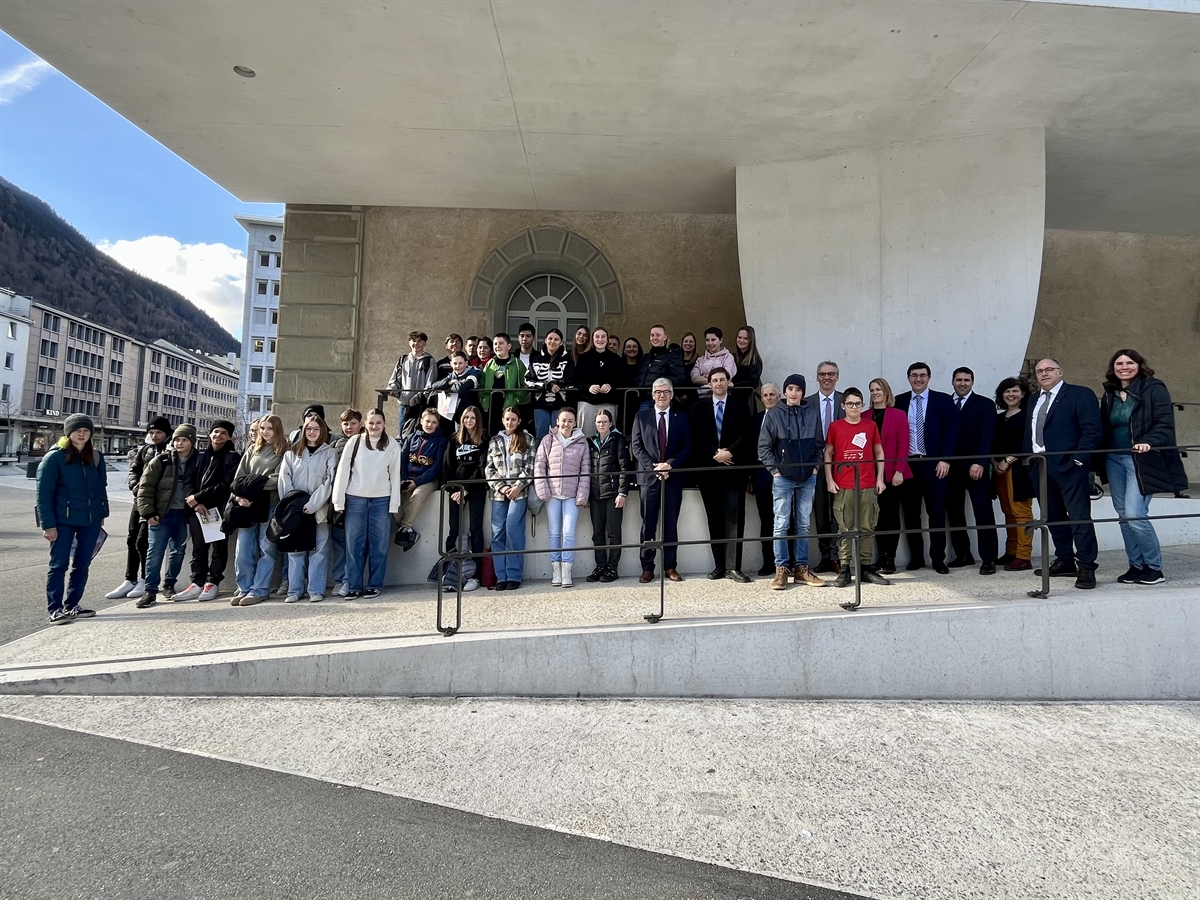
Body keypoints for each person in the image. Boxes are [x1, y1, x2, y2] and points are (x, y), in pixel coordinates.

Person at [1098, 349, 1187, 585]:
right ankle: (1136, 566)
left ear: (1139, 365)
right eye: (1119, 363)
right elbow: (1104, 427)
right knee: (1123, 516)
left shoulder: (1153, 388)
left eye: (1129, 362)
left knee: (1135, 514)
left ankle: (1154, 568)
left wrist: (1149, 442)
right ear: (1113, 367)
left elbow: (1164, 422)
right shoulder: (1110, 393)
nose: (1124, 367)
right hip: (1113, 459)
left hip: (1141, 460)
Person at [1023, 358, 1102, 589]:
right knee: (1053, 516)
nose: (1044, 374)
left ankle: (1087, 566)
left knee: (1079, 517)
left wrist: (1078, 460)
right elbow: (1030, 432)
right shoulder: (1033, 399)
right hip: (1039, 466)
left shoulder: (1079, 394)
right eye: (1039, 371)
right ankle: (1065, 560)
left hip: (1069, 466)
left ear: (1061, 372)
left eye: (1049, 369)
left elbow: (1092, 429)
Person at [36, 414, 109, 625]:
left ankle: (72, 605)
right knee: (59, 565)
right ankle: (55, 609)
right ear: (68, 432)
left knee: (82, 564)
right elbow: (43, 495)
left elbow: (100, 488)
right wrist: (48, 525)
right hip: (63, 521)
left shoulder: (94, 457)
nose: (82, 434)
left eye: (86, 431)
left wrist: (101, 513)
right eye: (78, 430)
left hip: (90, 520)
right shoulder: (54, 458)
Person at [758, 374, 826, 590]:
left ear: (803, 393)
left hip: (807, 478)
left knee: (804, 524)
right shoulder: (774, 414)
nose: (794, 393)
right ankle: (781, 570)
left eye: (798, 389)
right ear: (784, 392)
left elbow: (818, 444)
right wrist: (775, 471)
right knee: (781, 524)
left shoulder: (812, 413)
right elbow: (764, 447)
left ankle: (801, 568)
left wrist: (815, 467)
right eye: (790, 389)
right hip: (783, 478)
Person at [824, 388, 892, 599]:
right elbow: (828, 452)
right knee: (845, 527)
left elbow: (879, 451)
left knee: (867, 526)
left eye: (858, 403)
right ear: (843, 406)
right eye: (850, 403)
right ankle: (845, 568)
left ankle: (865, 568)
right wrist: (829, 478)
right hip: (844, 485)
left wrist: (880, 478)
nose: (854, 407)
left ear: (863, 405)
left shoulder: (870, 425)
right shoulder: (835, 426)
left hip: (868, 483)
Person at [332, 408, 403, 599]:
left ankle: (374, 584)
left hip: (381, 500)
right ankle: (354, 586)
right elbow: (343, 472)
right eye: (371, 422)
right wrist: (338, 501)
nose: (374, 426)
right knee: (354, 545)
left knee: (378, 545)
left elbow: (395, 476)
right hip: (355, 499)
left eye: (378, 422)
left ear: (384, 424)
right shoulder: (354, 442)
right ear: (365, 424)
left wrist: (393, 504)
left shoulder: (392, 445)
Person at [690, 367, 753, 582]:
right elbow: (696, 437)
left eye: (722, 379)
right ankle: (719, 566)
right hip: (709, 472)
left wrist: (729, 452)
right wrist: (715, 453)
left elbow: (747, 433)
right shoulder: (698, 408)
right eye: (714, 380)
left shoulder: (740, 405)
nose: (718, 383)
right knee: (714, 519)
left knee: (735, 519)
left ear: (728, 382)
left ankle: (733, 567)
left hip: (734, 471)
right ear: (709, 384)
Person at [895, 362, 958, 574]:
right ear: (908, 378)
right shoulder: (899, 401)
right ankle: (917, 558)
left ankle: (938, 559)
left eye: (922, 375)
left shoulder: (943, 400)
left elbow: (952, 431)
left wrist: (946, 459)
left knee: (937, 513)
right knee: (911, 514)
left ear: (929, 377)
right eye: (914, 375)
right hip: (909, 464)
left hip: (935, 464)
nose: (918, 379)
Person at [631, 378, 691, 582]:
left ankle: (670, 566)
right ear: (653, 394)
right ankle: (647, 567)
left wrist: (669, 465)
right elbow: (636, 446)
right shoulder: (641, 416)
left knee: (670, 524)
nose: (662, 395)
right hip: (649, 479)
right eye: (658, 391)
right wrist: (654, 468)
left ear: (672, 395)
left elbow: (687, 447)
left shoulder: (681, 417)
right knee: (648, 524)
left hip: (672, 478)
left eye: (666, 391)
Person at [135, 423, 201, 608]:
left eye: (184, 439)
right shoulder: (161, 461)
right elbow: (145, 488)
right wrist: (148, 512)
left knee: (177, 551)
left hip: (184, 516)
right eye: (177, 439)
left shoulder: (198, 461)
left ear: (192, 442)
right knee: (155, 552)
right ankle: (150, 590)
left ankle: (169, 584)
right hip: (162, 515)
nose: (180, 443)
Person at [174, 419, 240, 602]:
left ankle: (213, 582)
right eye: (216, 432)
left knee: (218, 547)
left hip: (217, 510)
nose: (218, 436)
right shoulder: (199, 456)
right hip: (197, 509)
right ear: (210, 434)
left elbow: (227, 484)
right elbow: (188, 480)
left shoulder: (232, 457)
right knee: (198, 548)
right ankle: (197, 582)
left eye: (223, 433)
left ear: (229, 437)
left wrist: (200, 497)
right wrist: (194, 502)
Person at [106, 415, 170, 600]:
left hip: (158, 503)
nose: (155, 435)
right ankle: (130, 578)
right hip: (140, 500)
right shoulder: (145, 450)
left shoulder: (172, 450)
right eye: (151, 432)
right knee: (132, 539)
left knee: (143, 541)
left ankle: (145, 578)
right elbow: (134, 471)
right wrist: (136, 488)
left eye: (159, 432)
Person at [944, 367, 999, 574]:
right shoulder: (945, 403)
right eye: (958, 379)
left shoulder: (985, 404)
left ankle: (988, 558)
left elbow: (988, 436)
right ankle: (963, 554)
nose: (962, 383)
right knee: (955, 513)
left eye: (966, 380)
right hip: (951, 468)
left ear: (972, 382)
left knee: (983, 512)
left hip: (976, 467)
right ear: (952, 382)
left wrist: (980, 462)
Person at [279, 416, 338, 603]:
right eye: (308, 429)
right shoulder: (292, 453)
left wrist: (313, 505)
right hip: (295, 510)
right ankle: (295, 590)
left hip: (317, 509)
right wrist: (293, 504)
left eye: (316, 429)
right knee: (295, 551)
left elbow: (329, 481)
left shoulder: (330, 453)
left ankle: (316, 589)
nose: (312, 432)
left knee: (319, 549)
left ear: (323, 432)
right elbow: (284, 479)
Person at [230, 414, 286, 605]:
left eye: (269, 428)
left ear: (277, 429)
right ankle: (244, 587)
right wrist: (240, 496)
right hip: (246, 505)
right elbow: (239, 477)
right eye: (262, 428)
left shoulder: (284, 451)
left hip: (269, 504)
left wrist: (253, 485)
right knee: (243, 549)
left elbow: (277, 479)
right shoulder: (253, 449)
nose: (265, 432)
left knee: (266, 549)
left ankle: (260, 589)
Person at [535, 407, 591, 587]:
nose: (566, 424)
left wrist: (582, 495)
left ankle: (567, 570)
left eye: (570, 421)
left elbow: (585, 471)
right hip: (552, 494)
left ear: (575, 423)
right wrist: (542, 490)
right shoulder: (548, 440)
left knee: (568, 532)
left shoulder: (582, 443)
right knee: (554, 533)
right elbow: (539, 465)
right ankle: (556, 570)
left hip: (571, 495)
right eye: (563, 420)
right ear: (557, 422)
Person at [485, 407, 535, 591]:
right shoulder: (495, 441)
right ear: (502, 420)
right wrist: (503, 487)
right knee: (498, 533)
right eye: (507, 419)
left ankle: (513, 574)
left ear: (519, 421)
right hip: (499, 493)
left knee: (513, 529)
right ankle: (501, 576)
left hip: (519, 492)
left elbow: (530, 467)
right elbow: (489, 469)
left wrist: (517, 486)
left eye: (513, 419)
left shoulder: (527, 439)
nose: (510, 422)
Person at [867, 378, 912, 575]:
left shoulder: (898, 415)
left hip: (893, 473)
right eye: (872, 390)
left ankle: (890, 558)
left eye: (878, 389)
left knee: (891, 516)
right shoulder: (864, 416)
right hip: (871, 475)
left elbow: (904, 445)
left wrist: (899, 470)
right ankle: (880, 556)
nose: (875, 392)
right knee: (875, 517)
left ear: (886, 391)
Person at [803, 361, 844, 574]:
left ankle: (837, 556)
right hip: (816, 466)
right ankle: (825, 556)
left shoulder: (845, 401)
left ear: (837, 376)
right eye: (822, 374)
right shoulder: (806, 403)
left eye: (831, 374)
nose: (826, 378)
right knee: (820, 512)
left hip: (842, 466)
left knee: (839, 512)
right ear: (817, 377)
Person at [442, 406, 488, 592]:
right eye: (466, 418)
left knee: (475, 530)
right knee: (454, 530)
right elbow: (447, 465)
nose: (469, 421)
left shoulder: (484, 438)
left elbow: (482, 467)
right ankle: (450, 573)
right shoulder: (454, 439)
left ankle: (474, 576)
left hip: (475, 488)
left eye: (473, 418)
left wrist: (466, 489)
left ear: (477, 420)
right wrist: (454, 489)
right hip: (455, 490)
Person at [992, 377, 1034, 572]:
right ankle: (1011, 552)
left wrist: (1007, 460)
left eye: (1015, 391)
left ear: (1023, 394)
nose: (1011, 395)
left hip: (1019, 470)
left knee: (1021, 512)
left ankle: (1024, 556)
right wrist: (995, 462)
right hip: (999, 470)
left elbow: (1028, 444)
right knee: (1008, 512)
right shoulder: (999, 418)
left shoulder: (1028, 416)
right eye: (1007, 391)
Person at [587, 408, 634, 583]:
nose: (601, 424)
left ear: (611, 423)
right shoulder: (590, 442)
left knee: (613, 534)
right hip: (595, 495)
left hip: (613, 494)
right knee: (597, 534)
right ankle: (600, 566)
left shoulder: (618, 440)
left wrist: (622, 493)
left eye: (605, 421)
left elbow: (625, 467)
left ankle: (612, 569)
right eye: (599, 422)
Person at [394, 408, 447, 553]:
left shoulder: (441, 440)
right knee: (391, 499)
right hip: (407, 477)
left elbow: (435, 468)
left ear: (438, 424)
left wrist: (416, 483)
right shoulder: (411, 437)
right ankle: (407, 531)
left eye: (433, 422)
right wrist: (404, 479)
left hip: (428, 480)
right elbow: (402, 460)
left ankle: (404, 528)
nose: (429, 424)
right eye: (427, 421)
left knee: (416, 497)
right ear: (421, 421)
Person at [749, 383, 785, 576]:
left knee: (785, 519)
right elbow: (750, 447)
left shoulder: (786, 416)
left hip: (782, 472)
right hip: (761, 473)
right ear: (761, 398)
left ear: (779, 397)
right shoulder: (757, 419)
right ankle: (768, 562)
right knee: (766, 519)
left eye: (772, 394)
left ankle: (787, 562)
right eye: (765, 395)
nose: (769, 398)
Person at [329, 408, 363, 594]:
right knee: (339, 541)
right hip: (339, 498)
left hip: (358, 496)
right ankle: (339, 578)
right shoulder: (336, 444)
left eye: (353, 423)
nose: (349, 427)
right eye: (346, 424)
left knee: (354, 542)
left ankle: (351, 579)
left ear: (360, 424)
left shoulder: (366, 442)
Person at [525, 328, 575, 440]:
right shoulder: (536, 358)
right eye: (550, 338)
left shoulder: (567, 359)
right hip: (540, 404)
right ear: (545, 341)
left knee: (559, 436)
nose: (553, 341)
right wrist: (546, 386)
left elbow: (571, 380)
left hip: (560, 405)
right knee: (541, 435)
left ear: (561, 342)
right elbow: (528, 380)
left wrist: (557, 384)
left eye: (556, 339)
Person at [386, 331, 437, 438]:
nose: (416, 344)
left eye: (420, 341)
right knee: (401, 435)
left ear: (424, 344)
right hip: (404, 404)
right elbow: (395, 380)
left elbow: (430, 384)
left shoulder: (429, 360)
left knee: (419, 435)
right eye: (414, 341)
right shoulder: (403, 360)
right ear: (409, 343)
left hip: (420, 405)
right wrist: (391, 389)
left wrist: (421, 398)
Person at [574, 326, 622, 438]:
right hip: (587, 403)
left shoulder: (615, 359)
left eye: (603, 336)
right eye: (597, 336)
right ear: (592, 339)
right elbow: (576, 379)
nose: (600, 339)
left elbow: (622, 378)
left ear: (607, 339)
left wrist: (611, 385)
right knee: (586, 438)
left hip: (608, 403)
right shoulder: (583, 358)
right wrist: (588, 387)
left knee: (607, 438)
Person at [479, 332, 528, 435]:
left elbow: (525, 385)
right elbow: (482, 385)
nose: (497, 346)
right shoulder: (490, 364)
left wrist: (516, 399)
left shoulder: (518, 364)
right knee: (491, 434)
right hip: (491, 406)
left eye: (501, 343)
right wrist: (483, 400)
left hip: (508, 406)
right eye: (495, 344)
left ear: (509, 346)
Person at [634, 325, 686, 415]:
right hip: (644, 399)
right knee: (645, 427)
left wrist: (661, 381)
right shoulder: (645, 357)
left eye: (658, 335)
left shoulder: (672, 356)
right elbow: (638, 376)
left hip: (662, 399)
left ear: (665, 337)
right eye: (652, 335)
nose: (654, 338)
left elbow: (680, 378)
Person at [427, 350, 479, 434]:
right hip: (453, 411)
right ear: (451, 364)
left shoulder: (473, 373)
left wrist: (446, 387)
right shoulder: (452, 375)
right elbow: (434, 386)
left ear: (466, 363)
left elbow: (460, 389)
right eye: (455, 363)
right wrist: (449, 382)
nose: (457, 366)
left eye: (460, 363)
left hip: (468, 412)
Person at [690, 327, 737, 399]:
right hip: (702, 398)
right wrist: (717, 379)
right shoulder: (700, 360)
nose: (710, 343)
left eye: (713, 340)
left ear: (721, 340)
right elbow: (694, 378)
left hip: (723, 398)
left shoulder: (728, 357)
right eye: (707, 340)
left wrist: (705, 376)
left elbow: (727, 376)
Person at [732, 325, 764, 411]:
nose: (741, 341)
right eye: (739, 337)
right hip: (730, 400)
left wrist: (734, 385)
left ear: (751, 341)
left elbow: (753, 383)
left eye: (746, 338)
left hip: (746, 402)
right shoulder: (731, 357)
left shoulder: (755, 360)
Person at [618, 336, 644, 434]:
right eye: (628, 347)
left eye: (634, 346)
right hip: (623, 405)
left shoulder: (643, 365)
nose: (631, 349)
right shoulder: (619, 365)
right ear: (624, 350)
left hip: (639, 402)